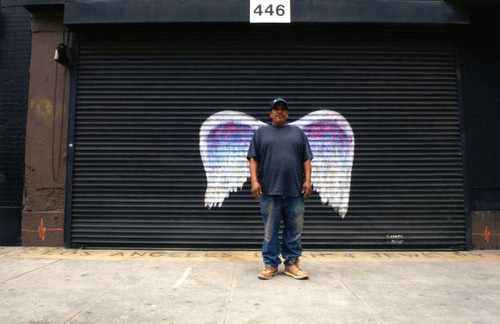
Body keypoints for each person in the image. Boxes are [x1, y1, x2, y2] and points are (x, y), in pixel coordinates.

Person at [247, 98, 313, 280]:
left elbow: (306, 159)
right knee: (270, 230)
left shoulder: (298, 133)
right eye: (276, 109)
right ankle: (270, 265)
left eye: (283, 109)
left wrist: (308, 180)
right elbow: (253, 158)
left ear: (288, 114)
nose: (279, 112)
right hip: (269, 190)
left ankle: (292, 264)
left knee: (294, 230)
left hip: (295, 190)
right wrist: (254, 181)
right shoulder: (261, 133)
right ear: (270, 113)